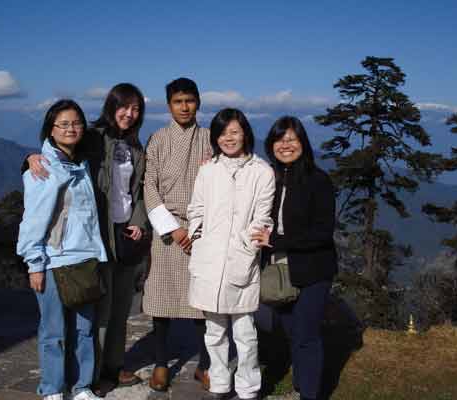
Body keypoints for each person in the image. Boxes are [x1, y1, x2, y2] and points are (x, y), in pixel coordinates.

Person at [25, 84, 149, 396]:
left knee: (112, 312)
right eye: (124, 107)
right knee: (87, 317)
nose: (129, 114)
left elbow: (138, 190)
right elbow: (52, 165)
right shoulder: (91, 137)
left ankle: (106, 371)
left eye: (136, 109)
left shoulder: (136, 147)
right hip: (89, 240)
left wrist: (138, 220)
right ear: (111, 106)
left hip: (115, 238)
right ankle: (75, 380)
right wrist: (30, 157)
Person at [17, 99, 107, 400]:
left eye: (76, 123)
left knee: (85, 330)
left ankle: (81, 387)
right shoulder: (42, 170)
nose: (71, 128)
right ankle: (53, 389)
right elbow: (32, 221)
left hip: (84, 258)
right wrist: (35, 264)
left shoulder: (81, 162)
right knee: (53, 332)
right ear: (51, 130)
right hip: (54, 260)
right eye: (64, 124)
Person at [187, 109, 275, 400]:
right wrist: (198, 237)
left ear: (245, 133)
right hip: (210, 261)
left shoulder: (261, 171)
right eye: (223, 133)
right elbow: (196, 209)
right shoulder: (208, 169)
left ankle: (248, 387)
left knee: (245, 332)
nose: (228, 138)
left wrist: (246, 246)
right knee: (214, 332)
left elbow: (263, 217)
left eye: (234, 132)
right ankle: (221, 384)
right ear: (215, 137)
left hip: (241, 261)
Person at [252, 116, 338, 400]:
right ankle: (303, 382)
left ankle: (309, 393)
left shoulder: (318, 180)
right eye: (280, 139)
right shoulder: (270, 178)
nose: (286, 145)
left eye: (292, 138)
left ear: (303, 142)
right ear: (271, 145)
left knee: (306, 336)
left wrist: (275, 241)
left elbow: (323, 233)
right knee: (290, 332)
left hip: (313, 270)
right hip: (279, 271)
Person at [143, 77, 212, 391]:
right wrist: (174, 228)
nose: (185, 107)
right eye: (178, 101)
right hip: (167, 231)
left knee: (202, 304)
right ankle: (160, 362)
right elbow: (149, 187)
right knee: (162, 300)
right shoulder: (157, 139)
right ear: (169, 105)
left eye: (190, 100)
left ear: (198, 102)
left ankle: (205, 364)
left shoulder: (211, 138)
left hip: (202, 229)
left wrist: (194, 230)